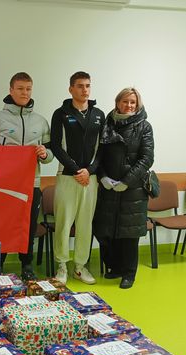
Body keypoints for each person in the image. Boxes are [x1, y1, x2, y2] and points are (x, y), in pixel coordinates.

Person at [0, 72, 53, 282]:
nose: (25, 93)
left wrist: (44, 153)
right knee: (1, 226)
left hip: (32, 184)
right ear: (11, 90)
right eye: (20, 88)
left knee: (28, 227)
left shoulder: (40, 121)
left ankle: (27, 265)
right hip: (3, 186)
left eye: (28, 89)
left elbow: (49, 155)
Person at [93, 87, 154, 289]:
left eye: (133, 102)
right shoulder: (107, 125)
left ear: (138, 105)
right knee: (106, 232)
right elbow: (98, 155)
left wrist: (127, 181)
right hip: (108, 187)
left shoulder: (144, 127)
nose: (129, 106)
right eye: (125, 101)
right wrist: (102, 177)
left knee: (129, 235)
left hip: (132, 189)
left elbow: (147, 159)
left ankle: (129, 274)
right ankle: (115, 267)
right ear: (118, 102)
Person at [50, 71, 105, 285]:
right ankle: (62, 265)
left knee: (85, 224)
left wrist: (89, 171)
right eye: (80, 86)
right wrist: (75, 170)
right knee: (64, 224)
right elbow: (55, 145)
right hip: (67, 176)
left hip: (89, 179)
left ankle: (80, 267)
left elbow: (102, 148)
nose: (85, 90)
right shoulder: (61, 113)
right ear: (71, 89)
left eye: (88, 86)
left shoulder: (98, 114)